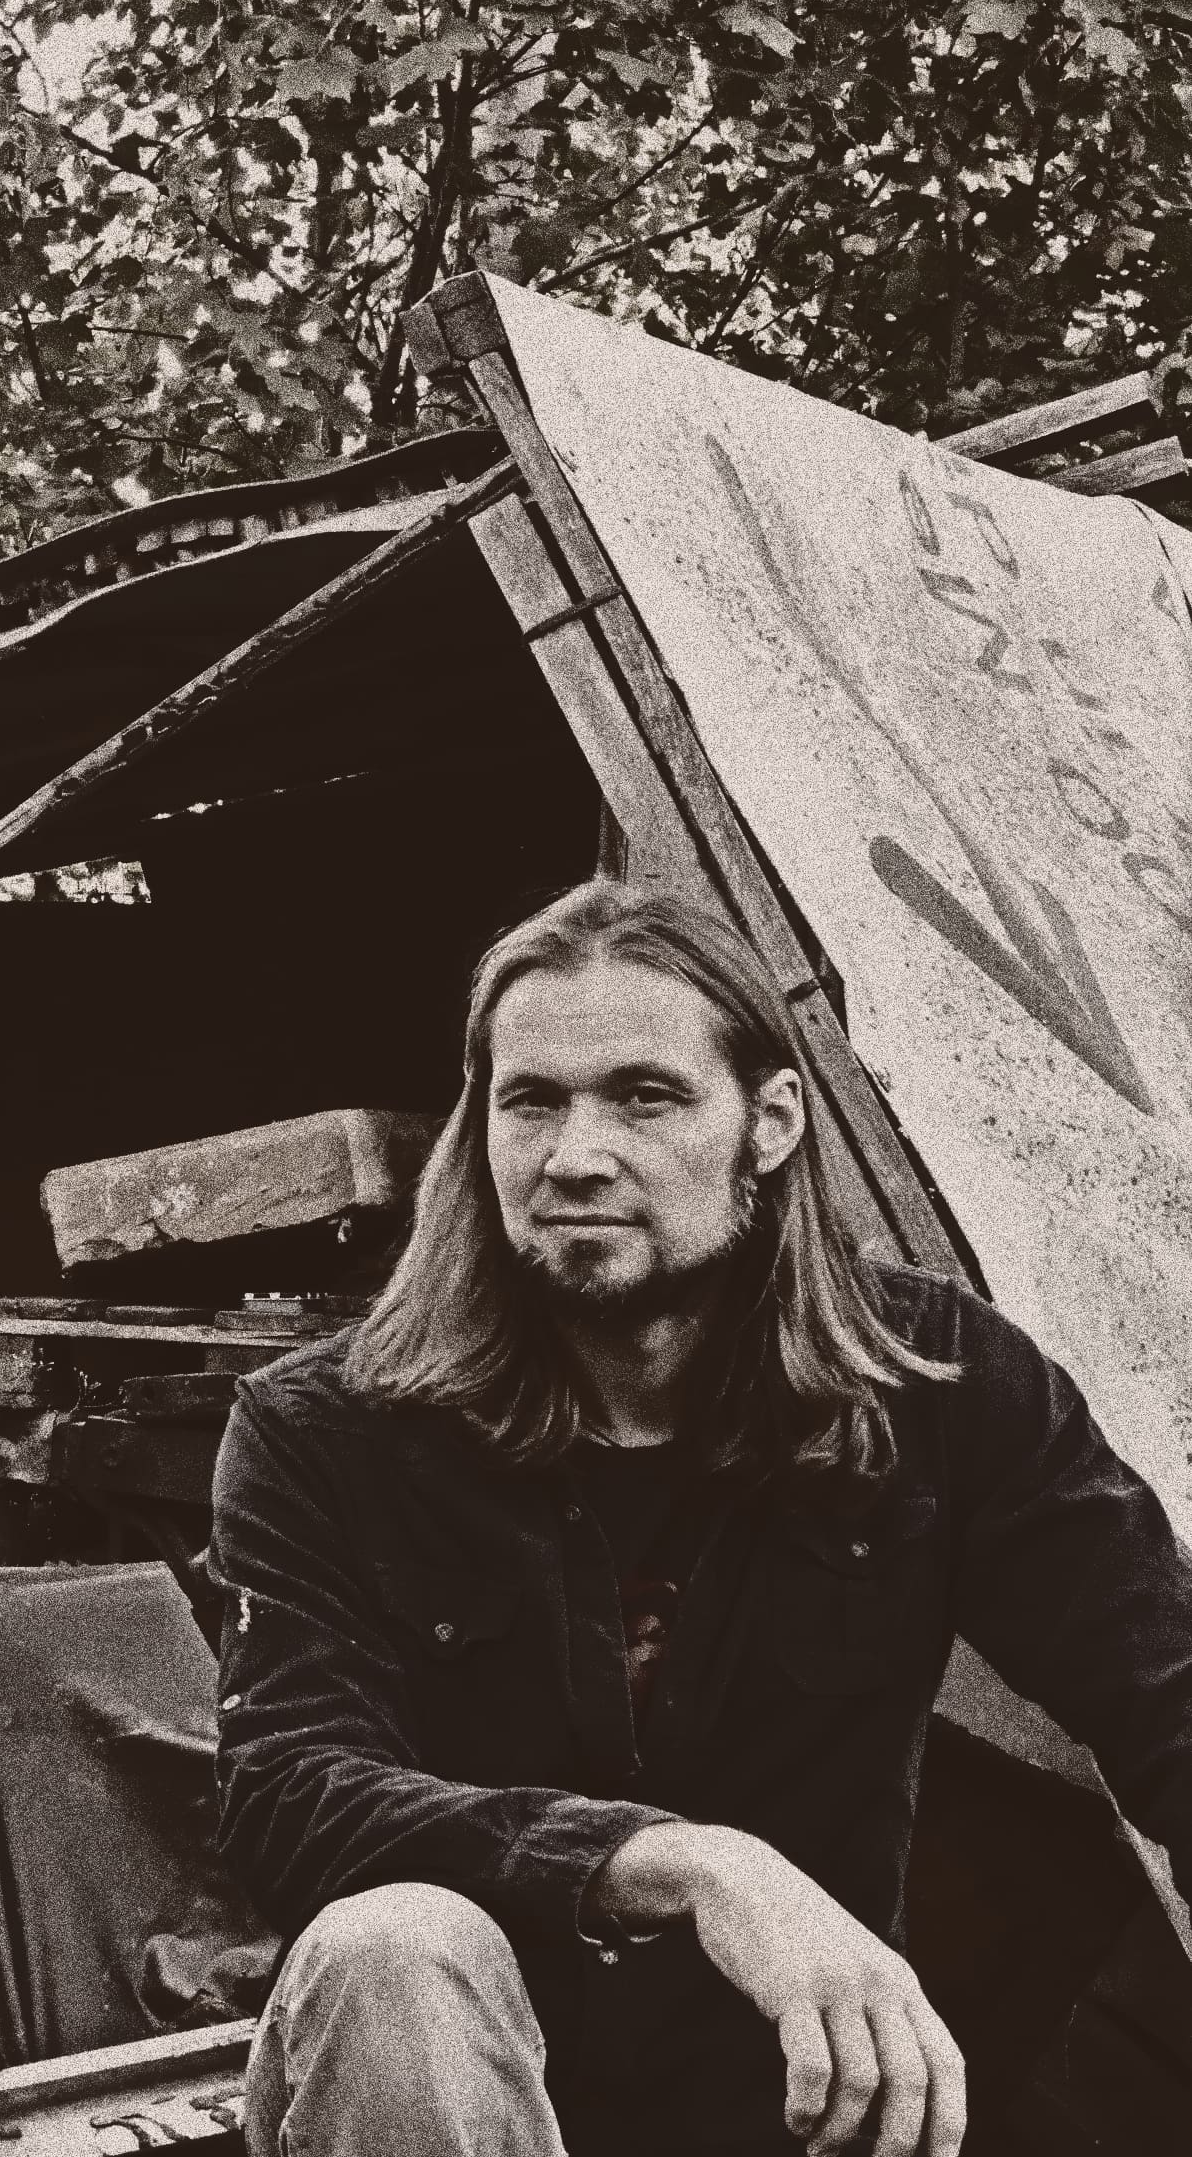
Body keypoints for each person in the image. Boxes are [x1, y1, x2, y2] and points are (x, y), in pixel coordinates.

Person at [212, 879, 1192, 2157]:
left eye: (644, 1097)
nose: (574, 1156)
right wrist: (693, 1865)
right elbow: (284, 1793)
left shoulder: (937, 1387)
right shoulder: (325, 1430)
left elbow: (1163, 1692)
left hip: (798, 2112)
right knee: (392, 1942)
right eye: (530, 1100)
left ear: (768, 1122)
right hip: (455, 2100)